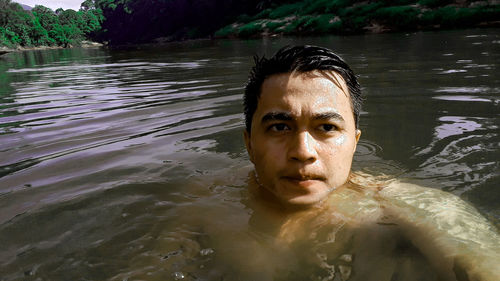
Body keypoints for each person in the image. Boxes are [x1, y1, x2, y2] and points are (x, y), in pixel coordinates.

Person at [242, 45, 500, 281]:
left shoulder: (417, 210)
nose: (303, 151)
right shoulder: (206, 204)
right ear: (249, 143)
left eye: (327, 127)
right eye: (279, 127)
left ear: (354, 142)